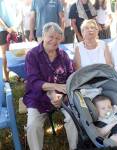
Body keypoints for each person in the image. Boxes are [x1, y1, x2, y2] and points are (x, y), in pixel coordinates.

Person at [23, 22, 78, 150]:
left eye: (58, 38)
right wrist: (55, 88)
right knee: (33, 126)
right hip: (38, 98)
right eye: (51, 37)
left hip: (63, 98)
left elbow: (71, 77)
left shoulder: (63, 55)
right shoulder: (32, 55)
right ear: (43, 36)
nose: (54, 41)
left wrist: (62, 97)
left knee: (74, 118)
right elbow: (33, 81)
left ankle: (74, 147)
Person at [0, 0, 22, 82]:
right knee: (5, 54)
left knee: (19, 53)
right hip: (3, 30)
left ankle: (21, 76)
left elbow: (20, 14)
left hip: (16, 29)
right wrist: (6, 28)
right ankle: (7, 78)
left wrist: (15, 27)